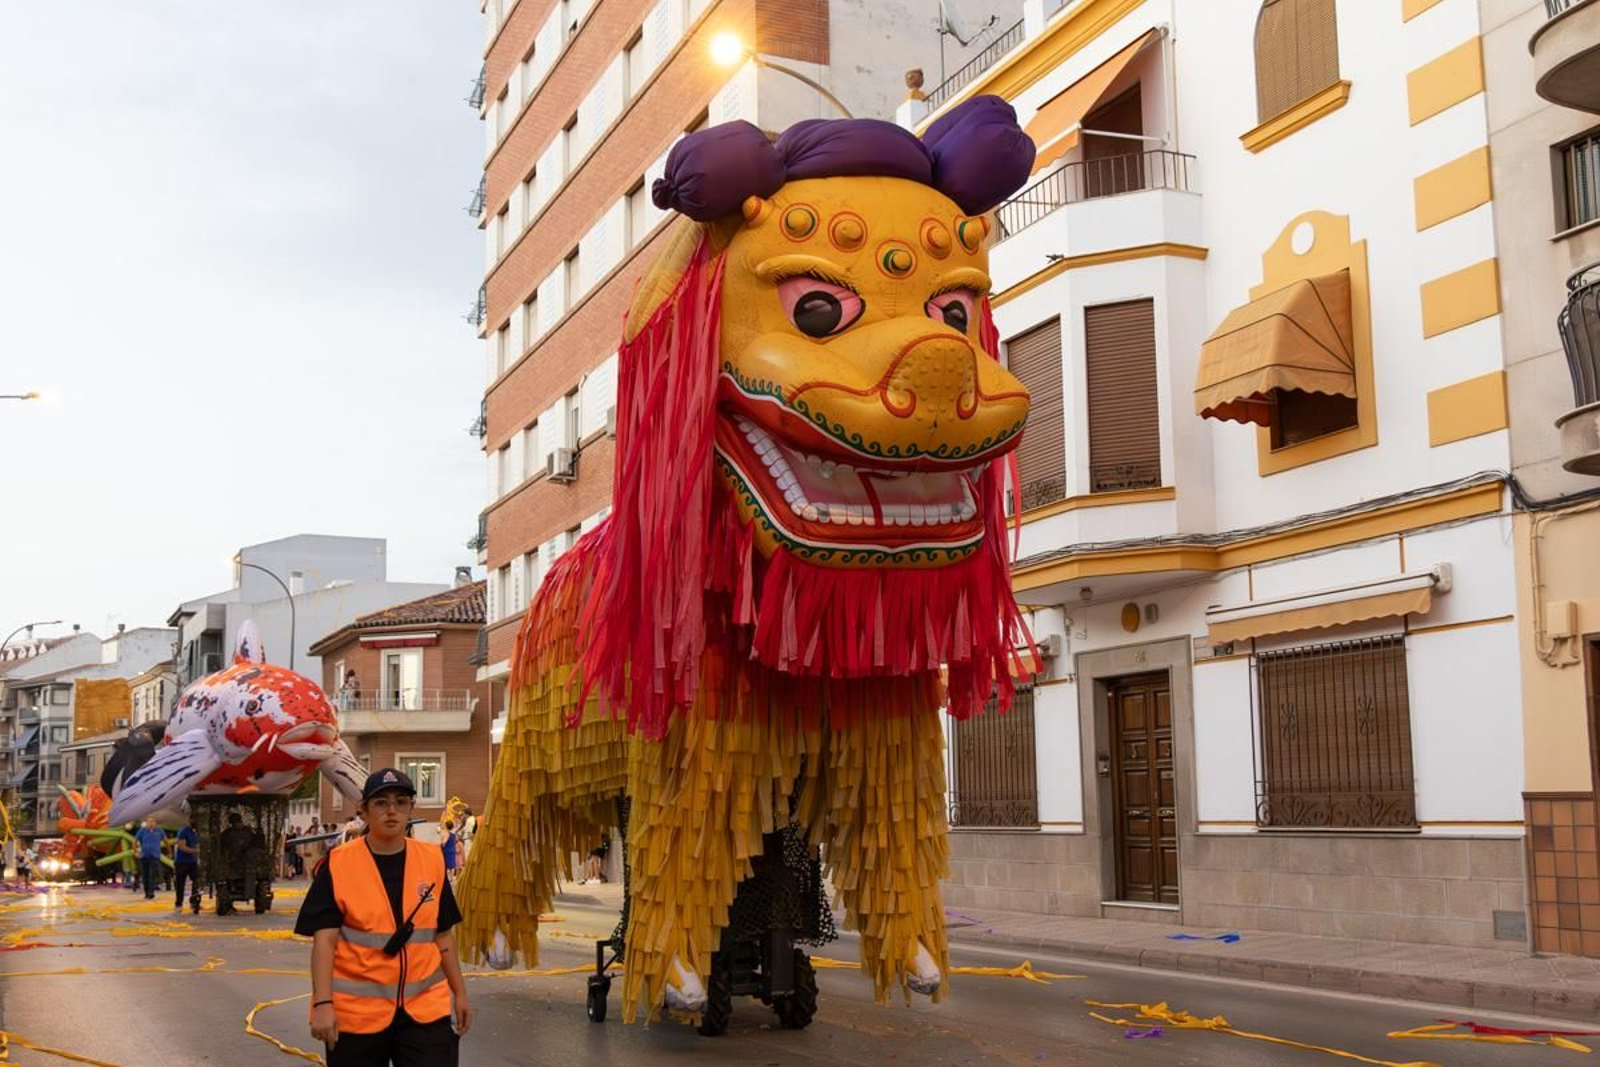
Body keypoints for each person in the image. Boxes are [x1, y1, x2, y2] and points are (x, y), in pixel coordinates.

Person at [297, 768, 472, 1065]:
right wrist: (323, 1004)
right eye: (380, 803)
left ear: (410, 809)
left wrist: (460, 992)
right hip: (357, 1016)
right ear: (363, 811)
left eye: (400, 802)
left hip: (425, 1011)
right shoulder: (339, 865)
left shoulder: (431, 860)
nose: (392, 811)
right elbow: (324, 942)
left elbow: (443, 936)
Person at [173, 812, 200, 910]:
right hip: (181, 862)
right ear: (190, 820)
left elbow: (195, 844)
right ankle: (178, 903)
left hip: (192, 862)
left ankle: (194, 902)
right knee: (180, 883)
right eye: (194, 820)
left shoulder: (194, 832)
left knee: (197, 881)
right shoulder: (183, 831)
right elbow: (182, 847)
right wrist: (196, 851)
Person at [134, 817, 165, 900]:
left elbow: (166, 841)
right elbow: (135, 840)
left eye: (152, 821)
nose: (151, 823)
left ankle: (151, 892)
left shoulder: (159, 831)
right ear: (147, 823)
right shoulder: (142, 830)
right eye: (149, 821)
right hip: (144, 856)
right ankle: (146, 892)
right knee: (145, 875)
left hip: (154, 856)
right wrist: (135, 852)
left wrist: (169, 852)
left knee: (152, 875)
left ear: (155, 823)